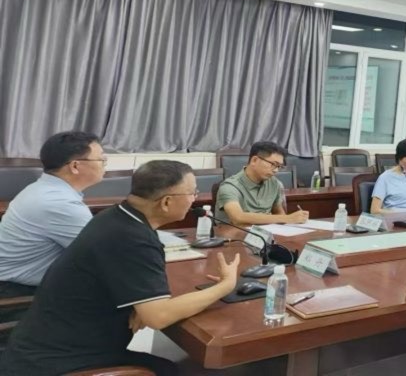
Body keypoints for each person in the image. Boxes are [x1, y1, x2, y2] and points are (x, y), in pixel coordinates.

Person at [0, 160, 240, 376]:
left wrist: (140, 305)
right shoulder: (133, 239)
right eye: (192, 192)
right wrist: (224, 286)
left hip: (45, 343)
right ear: (166, 202)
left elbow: (131, 289)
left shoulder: (116, 217)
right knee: (172, 370)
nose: (194, 199)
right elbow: (159, 317)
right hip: (59, 361)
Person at [0, 131, 103, 304]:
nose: (104, 164)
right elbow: (101, 255)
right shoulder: (60, 203)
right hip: (16, 294)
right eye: (101, 159)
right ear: (75, 166)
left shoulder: (44, 189)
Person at [215, 141, 309, 226]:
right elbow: (238, 218)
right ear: (254, 160)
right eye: (273, 164)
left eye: (279, 166)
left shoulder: (275, 184)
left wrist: (287, 218)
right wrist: (288, 218)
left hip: (266, 234)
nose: (276, 170)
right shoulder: (230, 187)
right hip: (233, 236)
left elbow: (279, 213)